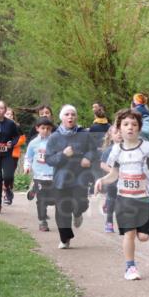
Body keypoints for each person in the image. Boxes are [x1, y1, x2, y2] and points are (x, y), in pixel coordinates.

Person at [96, 110, 149, 280]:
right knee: (129, 234)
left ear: (139, 128)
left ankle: (139, 230)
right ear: (119, 129)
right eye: (126, 124)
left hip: (145, 197)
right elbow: (114, 174)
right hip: (125, 198)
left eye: (134, 125)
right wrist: (102, 181)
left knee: (143, 237)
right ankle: (130, 267)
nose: (130, 128)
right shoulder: (116, 150)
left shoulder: (147, 147)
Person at [43, 105, 98, 248]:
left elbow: (93, 150)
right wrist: (63, 155)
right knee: (62, 209)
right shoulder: (54, 137)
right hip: (62, 178)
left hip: (80, 176)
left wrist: (88, 158)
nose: (70, 117)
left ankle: (78, 212)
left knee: (81, 203)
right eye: (67, 114)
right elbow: (49, 159)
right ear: (62, 118)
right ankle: (65, 239)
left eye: (73, 114)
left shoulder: (84, 134)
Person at [24, 117, 55, 231]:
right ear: (37, 128)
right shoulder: (33, 143)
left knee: (53, 200)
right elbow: (28, 157)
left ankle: (33, 189)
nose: (45, 130)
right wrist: (27, 167)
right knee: (42, 200)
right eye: (43, 128)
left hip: (53, 175)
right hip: (39, 176)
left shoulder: (55, 141)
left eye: (48, 128)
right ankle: (42, 221)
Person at [99, 126, 121, 233]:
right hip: (112, 181)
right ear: (111, 136)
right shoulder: (109, 150)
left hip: (125, 181)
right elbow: (103, 165)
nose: (119, 134)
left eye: (121, 132)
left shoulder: (128, 148)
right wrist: (113, 172)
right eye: (116, 132)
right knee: (112, 200)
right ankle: (109, 222)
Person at [0, 101, 21, 209]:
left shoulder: (11, 124)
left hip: (7, 154)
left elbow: (18, 137)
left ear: (5, 110)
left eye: (1, 108)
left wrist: (11, 143)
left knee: (8, 176)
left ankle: (7, 188)